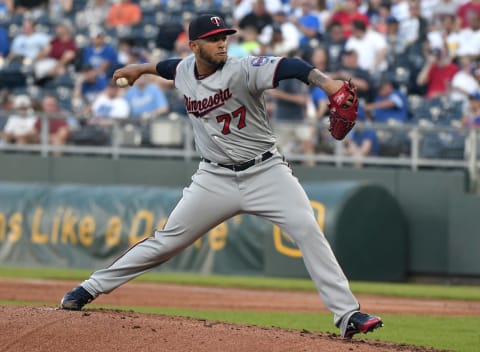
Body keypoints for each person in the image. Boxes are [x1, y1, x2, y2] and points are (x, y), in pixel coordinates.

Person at [60, 14, 383, 339]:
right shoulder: (186, 69)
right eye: (214, 38)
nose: (222, 43)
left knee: (308, 232)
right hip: (213, 178)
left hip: (266, 172)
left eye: (224, 37)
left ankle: (347, 314)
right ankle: (89, 288)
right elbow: (169, 67)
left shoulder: (243, 69)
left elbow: (292, 66)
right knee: (165, 243)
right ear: (195, 46)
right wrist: (141, 69)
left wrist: (328, 84)